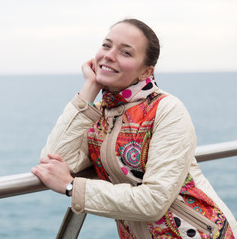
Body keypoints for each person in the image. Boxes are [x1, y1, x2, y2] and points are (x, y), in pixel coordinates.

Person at [31, 18, 237, 238]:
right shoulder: (99, 114)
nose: (109, 55)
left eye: (126, 52)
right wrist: (90, 88)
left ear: (146, 72)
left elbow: (154, 201)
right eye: (106, 45)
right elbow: (54, 159)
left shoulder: (166, 110)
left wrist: (73, 187)